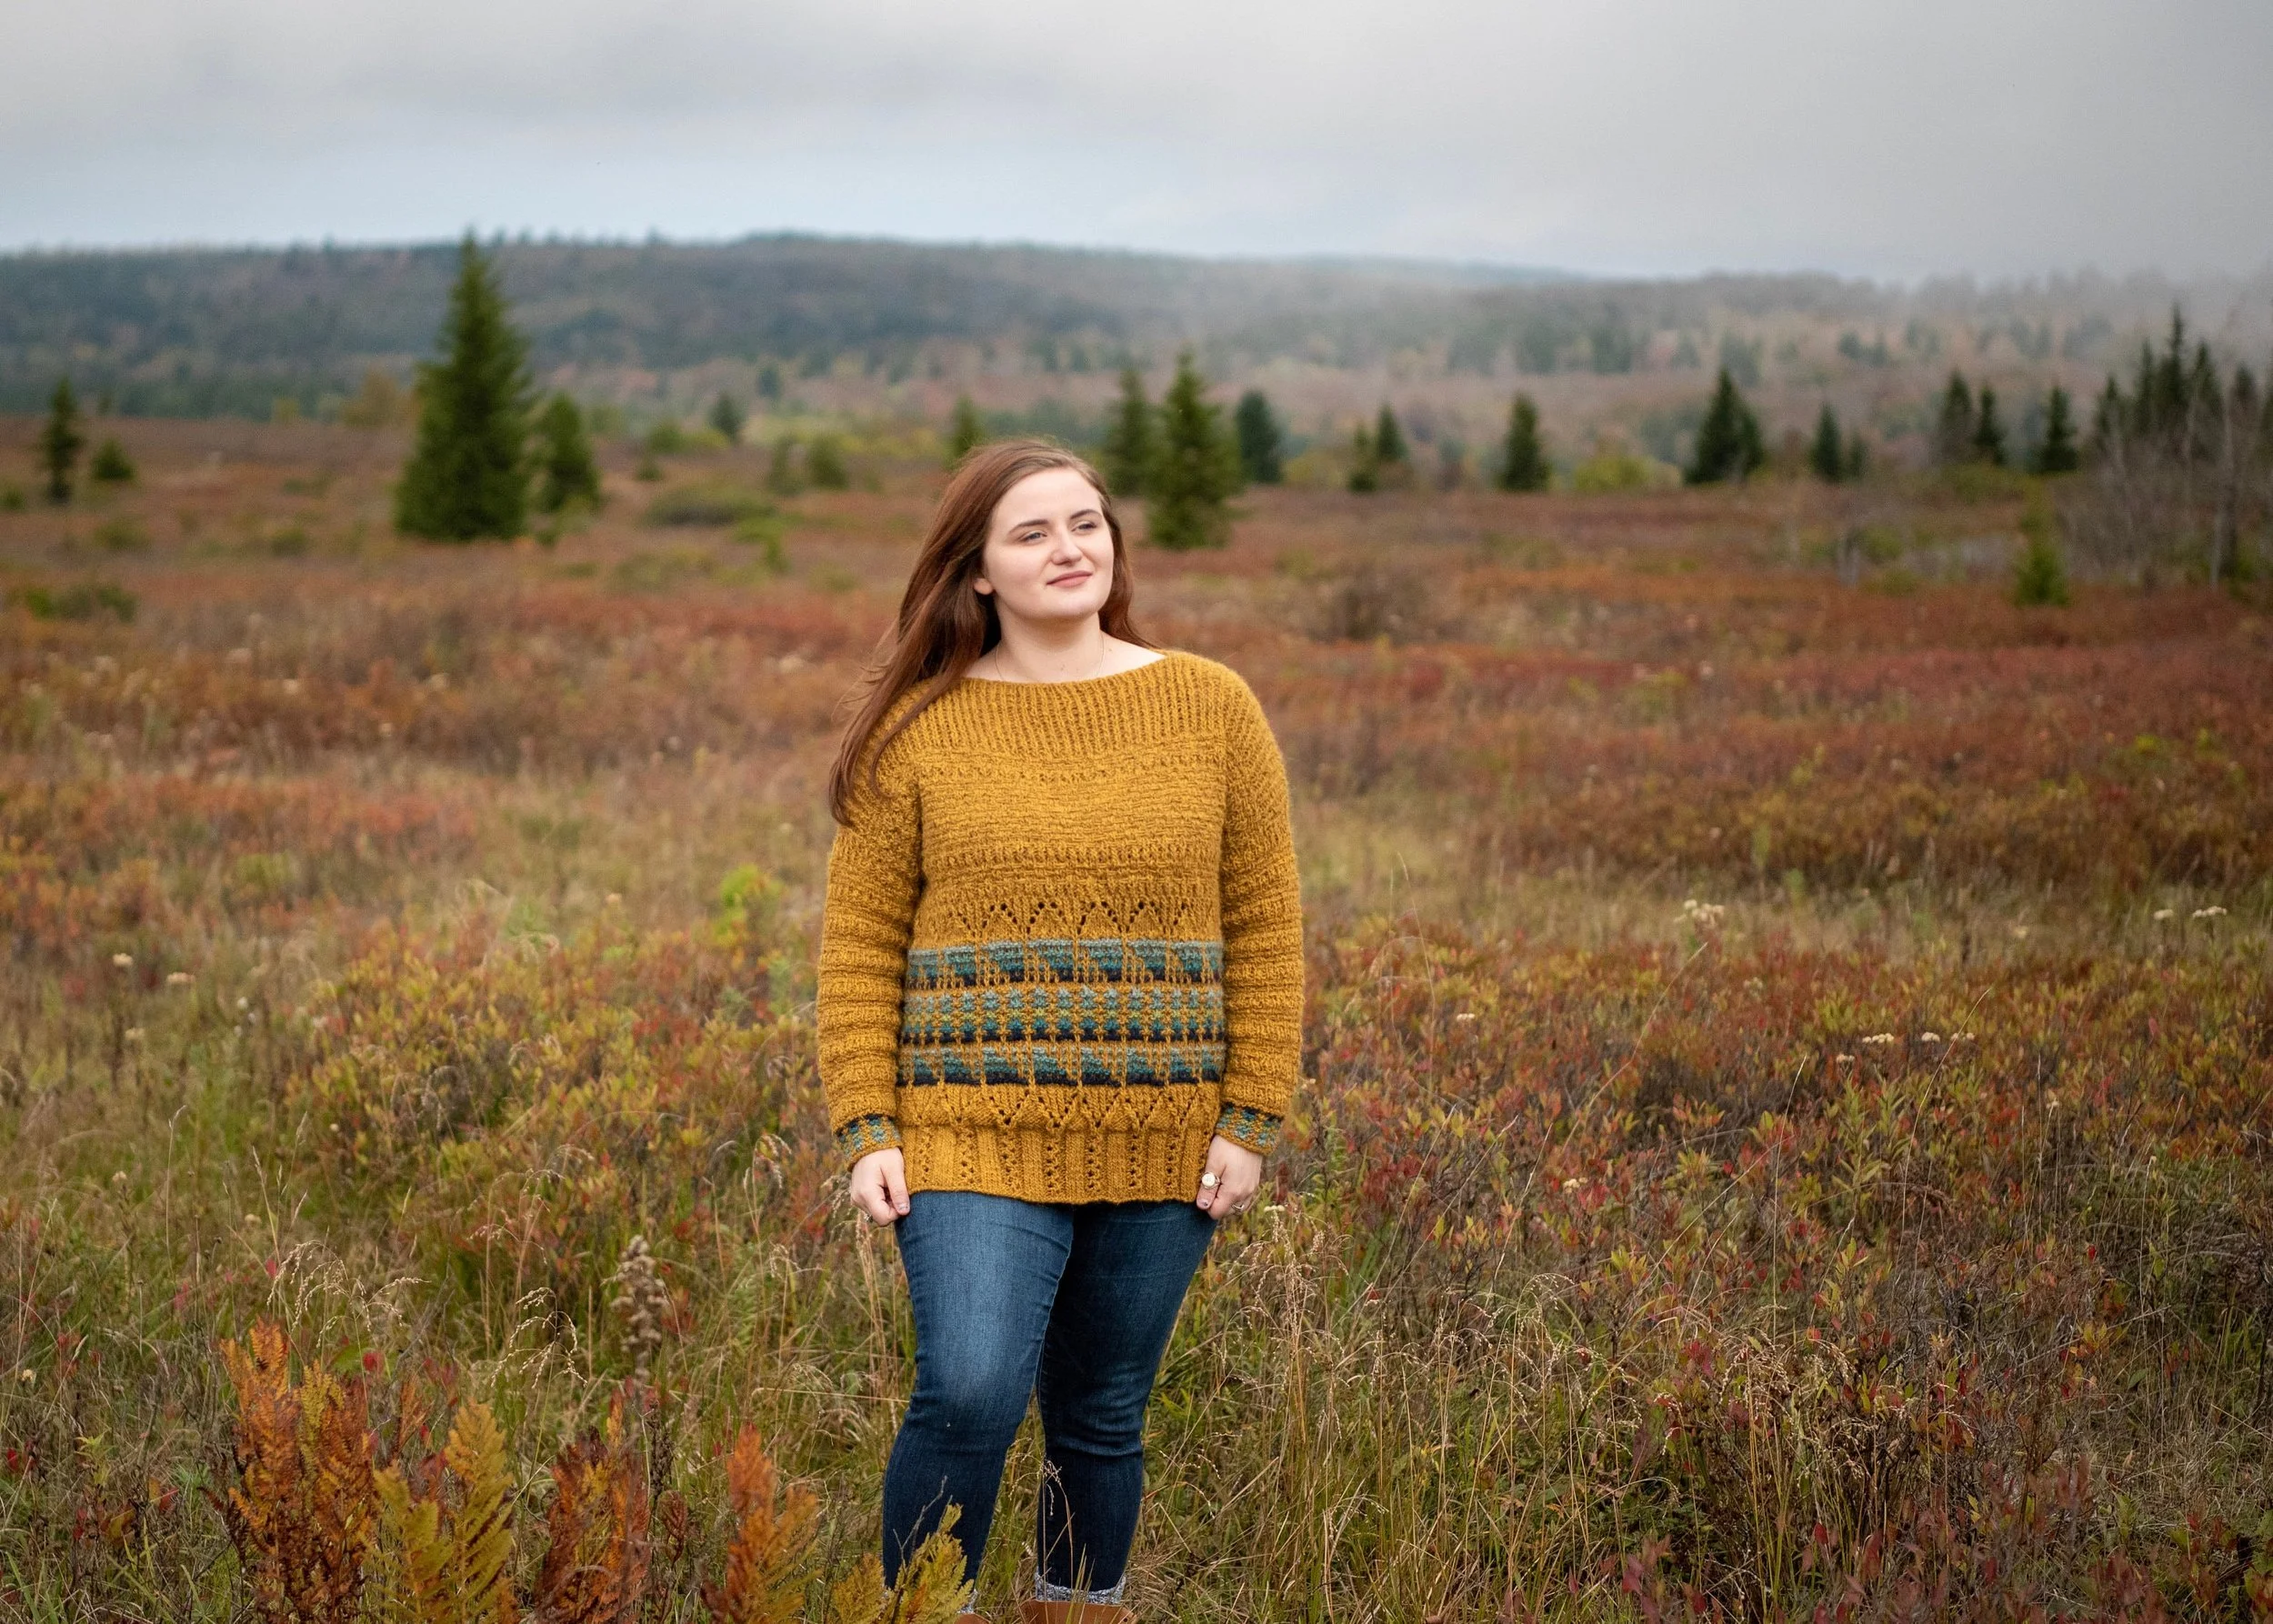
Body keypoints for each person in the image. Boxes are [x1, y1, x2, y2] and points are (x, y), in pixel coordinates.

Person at [816, 438, 1305, 1622]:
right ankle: (918, 1609)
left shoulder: (1209, 705)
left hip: (1165, 1133)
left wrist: (1251, 1114)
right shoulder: (920, 729)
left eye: (1087, 523)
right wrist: (868, 1121)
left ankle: (1070, 1605)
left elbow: (1268, 923)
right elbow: (861, 940)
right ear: (976, 569)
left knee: (1099, 1409)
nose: (1069, 548)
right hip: (969, 1128)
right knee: (972, 1388)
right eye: (1031, 532)